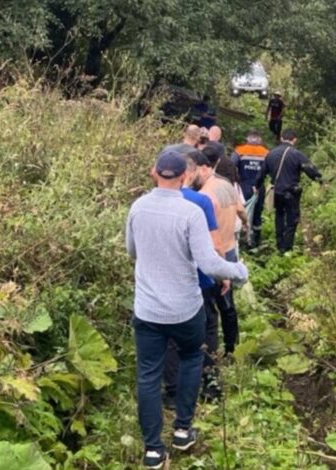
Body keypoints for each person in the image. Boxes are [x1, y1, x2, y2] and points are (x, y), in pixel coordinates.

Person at [126, 150, 248, 469]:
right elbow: (208, 263)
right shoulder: (189, 211)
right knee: (192, 357)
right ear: (184, 177)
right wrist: (239, 272)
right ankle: (182, 430)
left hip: (148, 310)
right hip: (184, 308)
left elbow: (132, 250)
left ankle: (153, 451)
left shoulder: (138, 207)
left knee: (148, 374)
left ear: (155, 172)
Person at [163, 152, 223, 408]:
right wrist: (223, 273)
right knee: (208, 328)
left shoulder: (150, 203)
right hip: (201, 279)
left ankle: (174, 391)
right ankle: (209, 384)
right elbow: (215, 243)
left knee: (170, 337)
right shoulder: (201, 201)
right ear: (189, 173)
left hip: (167, 281)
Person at [194, 153, 247, 356]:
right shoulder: (226, 185)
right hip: (230, 249)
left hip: (214, 254)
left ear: (204, 168)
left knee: (208, 307)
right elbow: (242, 212)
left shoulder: (204, 195)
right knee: (227, 304)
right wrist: (246, 225)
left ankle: (209, 353)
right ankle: (233, 348)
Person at [255, 129, 322, 252]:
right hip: (291, 193)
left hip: (277, 192)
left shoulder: (271, 154)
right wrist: (321, 181)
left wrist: (257, 186)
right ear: (294, 140)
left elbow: (261, 173)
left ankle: (279, 245)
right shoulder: (297, 154)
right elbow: (310, 170)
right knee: (292, 220)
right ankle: (287, 248)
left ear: (281, 138)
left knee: (279, 216)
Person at [231, 130, 269, 247]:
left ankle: (242, 240)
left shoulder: (239, 151)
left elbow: (231, 166)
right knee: (257, 213)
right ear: (259, 139)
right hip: (259, 187)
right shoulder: (266, 152)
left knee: (242, 212)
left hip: (243, 186)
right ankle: (256, 241)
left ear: (247, 139)